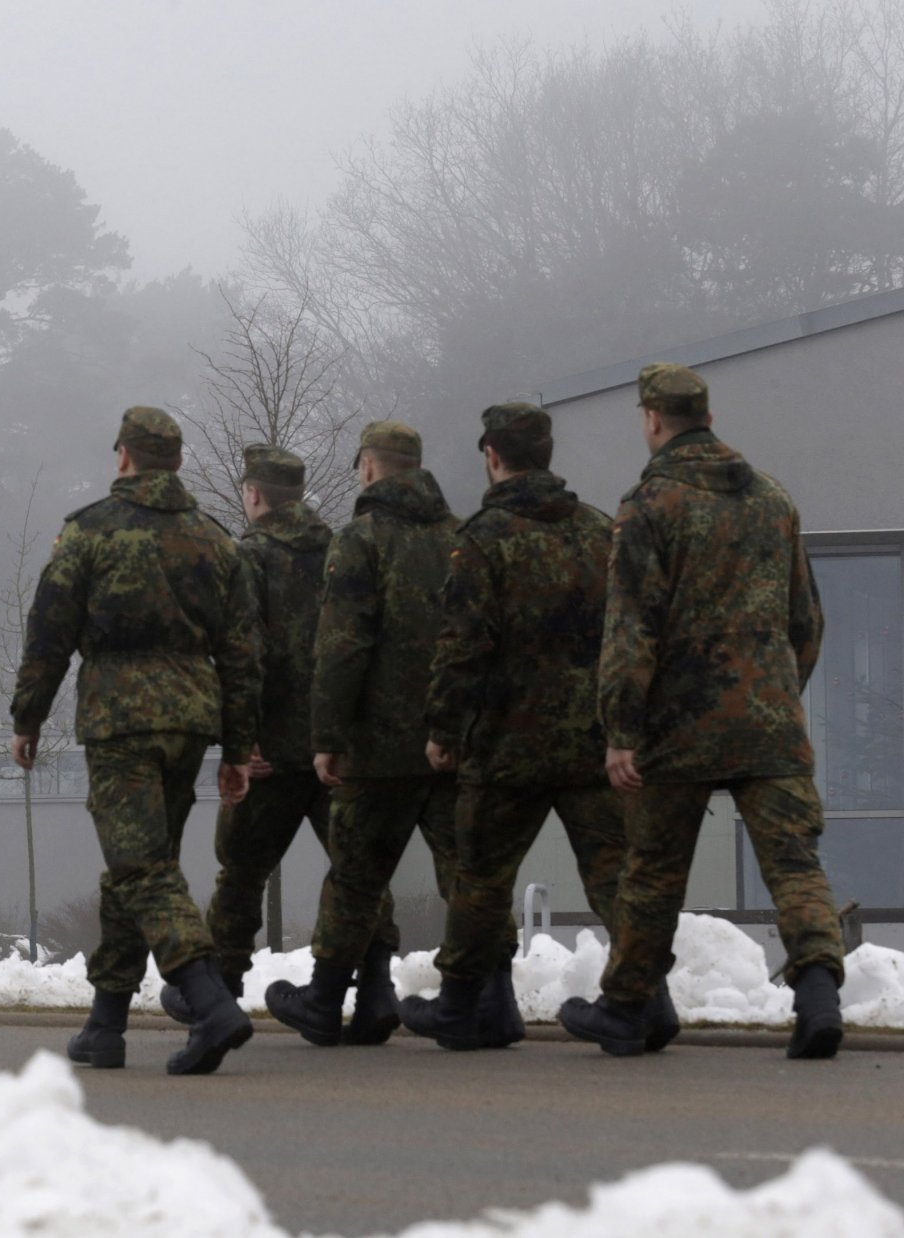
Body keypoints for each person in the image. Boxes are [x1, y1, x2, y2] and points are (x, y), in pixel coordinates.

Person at [560, 364, 846, 1059]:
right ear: (709, 419)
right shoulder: (772, 498)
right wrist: (778, 692)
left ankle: (630, 1007)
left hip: (677, 725)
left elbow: (631, 630)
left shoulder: (648, 506)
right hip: (768, 718)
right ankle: (817, 996)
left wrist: (622, 730)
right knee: (793, 861)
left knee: (652, 868)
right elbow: (806, 619)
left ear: (653, 420)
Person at [11, 405, 254, 1075]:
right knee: (138, 864)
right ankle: (105, 1023)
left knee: (143, 867)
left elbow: (49, 634)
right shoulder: (215, 540)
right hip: (192, 720)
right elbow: (242, 653)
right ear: (175, 462)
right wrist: (238, 746)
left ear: (123, 456)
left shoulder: (89, 531)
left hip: (121, 721)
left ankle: (210, 1004)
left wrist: (27, 718)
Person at [402, 403, 637, 1051]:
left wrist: (443, 729)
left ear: (492, 455)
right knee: (614, 874)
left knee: (480, 874)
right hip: (592, 737)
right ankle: (647, 998)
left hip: (508, 744)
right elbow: (628, 634)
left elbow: (462, 647)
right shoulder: (598, 531)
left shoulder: (483, 538)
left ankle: (458, 1006)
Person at [159, 443, 399, 1032]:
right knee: (358, 871)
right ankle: (375, 988)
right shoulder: (347, 549)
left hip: (270, 749)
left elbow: (239, 654)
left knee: (240, 872)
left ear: (255, 494)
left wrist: (240, 741)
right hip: (338, 748)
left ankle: (218, 992)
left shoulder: (247, 557)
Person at [265, 421, 463, 1046]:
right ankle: (486, 997)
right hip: (452, 738)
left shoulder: (361, 540)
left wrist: (327, 735)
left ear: (370, 468)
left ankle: (325, 999)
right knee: (466, 872)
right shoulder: (462, 539)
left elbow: (343, 646)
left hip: (378, 748)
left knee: (354, 875)